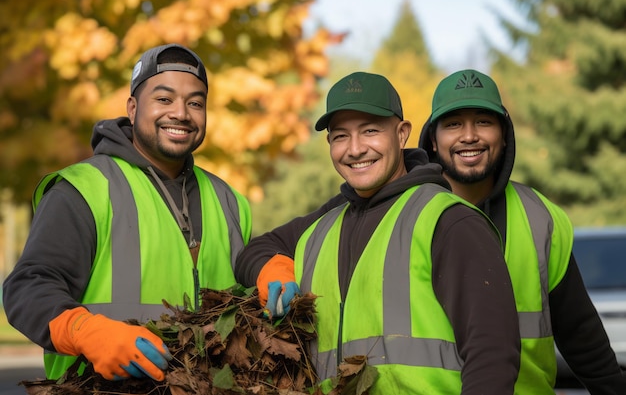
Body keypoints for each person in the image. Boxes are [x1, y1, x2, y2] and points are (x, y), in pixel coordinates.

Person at [236, 71, 521, 394]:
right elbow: (253, 253)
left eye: (370, 131)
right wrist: (275, 269)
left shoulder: (448, 221)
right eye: (341, 136)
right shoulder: (325, 226)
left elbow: (493, 356)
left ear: (402, 135)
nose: (355, 149)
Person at [2, 44, 251, 382]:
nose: (181, 113)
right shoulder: (83, 190)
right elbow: (27, 288)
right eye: (164, 99)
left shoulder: (230, 202)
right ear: (132, 109)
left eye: (195, 102)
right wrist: (85, 331)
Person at [418, 69, 626, 394]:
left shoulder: (540, 218)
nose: (469, 136)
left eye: (484, 122)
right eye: (453, 123)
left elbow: (581, 335)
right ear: (433, 139)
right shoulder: (405, 215)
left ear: (504, 134)